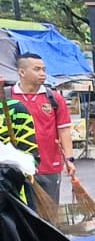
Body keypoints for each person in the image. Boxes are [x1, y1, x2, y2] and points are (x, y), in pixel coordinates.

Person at [9, 54, 74, 206]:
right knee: (19, 214)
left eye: (44, 69)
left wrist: (69, 159)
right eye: (37, 69)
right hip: (15, 167)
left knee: (49, 215)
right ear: (22, 72)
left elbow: (64, 131)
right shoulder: (6, 97)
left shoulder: (54, 98)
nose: (42, 73)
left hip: (49, 166)